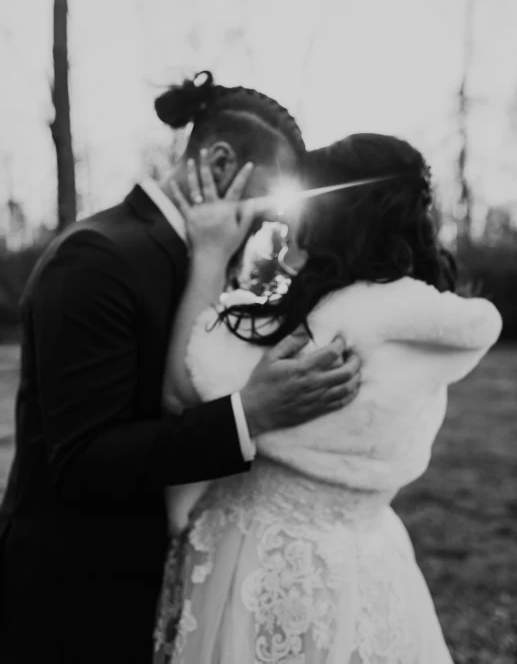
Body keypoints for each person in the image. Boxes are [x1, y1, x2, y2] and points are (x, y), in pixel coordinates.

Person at [0, 72, 361, 664]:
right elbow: (84, 459)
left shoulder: (204, 262)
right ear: (220, 163)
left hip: (160, 587)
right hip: (72, 600)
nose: (270, 221)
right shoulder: (97, 258)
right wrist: (249, 415)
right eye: (265, 199)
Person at [154, 132, 502, 664]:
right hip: (369, 561)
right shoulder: (427, 325)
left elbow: (186, 383)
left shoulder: (317, 328)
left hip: (261, 562)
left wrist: (208, 256)